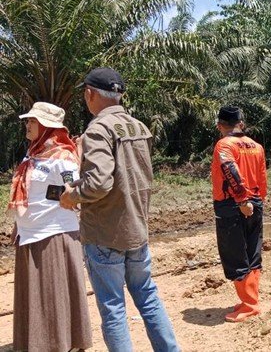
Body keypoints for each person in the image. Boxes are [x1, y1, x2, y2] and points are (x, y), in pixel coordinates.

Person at [60, 67, 179, 351]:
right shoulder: (138, 127)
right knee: (147, 296)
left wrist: (71, 196)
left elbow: (100, 183)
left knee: (113, 307)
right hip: (136, 228)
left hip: (105, 233)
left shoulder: (98, 129)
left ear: (90, 94)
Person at [8, 102, 92, 352]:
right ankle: (37, 341)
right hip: (30, 233)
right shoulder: (33, 153)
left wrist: (47, 196)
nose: (27, 125)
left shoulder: (64, 157)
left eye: (32, 121)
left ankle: (61, 342)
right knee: (36, 292)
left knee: (52, 292)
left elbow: (71, 192)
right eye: (28, 120)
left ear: (45, 126)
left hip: (53, 233)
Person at [210, 105, 267, 322]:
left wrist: (242, 200)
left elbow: (230, 171)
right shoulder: (256, 146)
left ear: (220, 126)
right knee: (253, 251)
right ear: (241, 124)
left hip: (233, 204)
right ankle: (249, 299)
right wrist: (257, 200)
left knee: (235, 254)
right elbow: (262, 177)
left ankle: (250, 305)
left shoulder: (224, 145)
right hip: (255, 201)